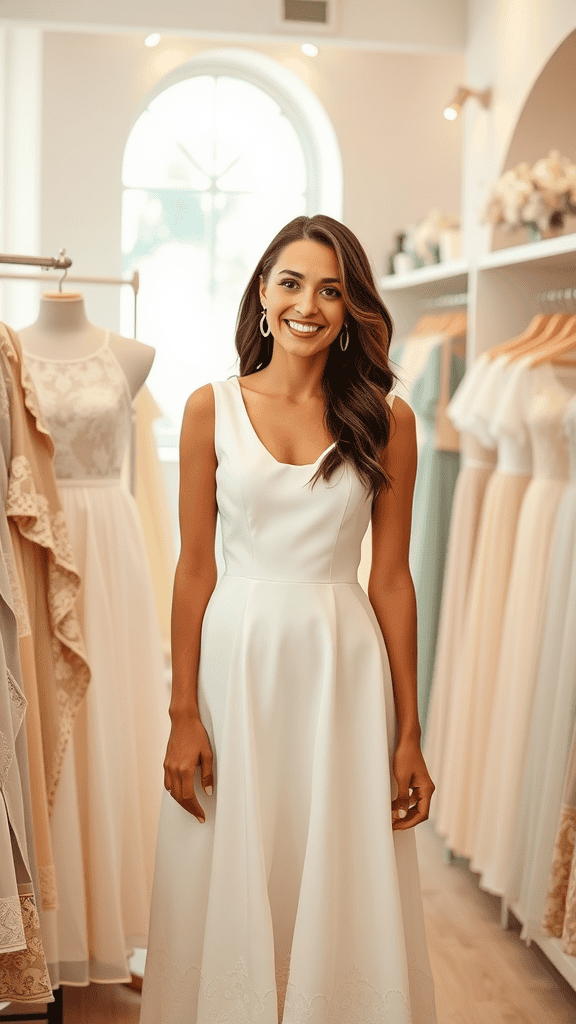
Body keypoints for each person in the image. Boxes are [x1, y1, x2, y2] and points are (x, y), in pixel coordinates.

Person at [139, 214, 437, 1024]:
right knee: (232, 858)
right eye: (293, 283)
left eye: (332, 289)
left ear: (352, 310)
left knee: (334, 863)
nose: (310, 304)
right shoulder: (212, 408)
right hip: (235, 669)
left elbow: (394, 581)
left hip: (342, 669)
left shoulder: (389, 421)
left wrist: (410, 731)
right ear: (264, 298)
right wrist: (180, 713)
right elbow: (194, 568)